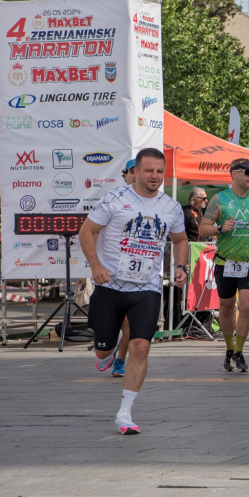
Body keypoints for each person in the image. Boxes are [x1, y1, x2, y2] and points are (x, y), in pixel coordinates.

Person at [80, 148, 189, 434]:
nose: (154, 176)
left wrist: (181, 266)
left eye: (159, 171)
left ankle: (125, 413)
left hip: (147, 288)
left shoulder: (171, 207)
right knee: (103, 353)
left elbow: (180, 240)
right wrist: (95, 266)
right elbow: (86, 232)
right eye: (148, 170)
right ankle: (106, 349)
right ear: (136, 172)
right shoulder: (115, 199)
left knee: (141, 346)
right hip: (110, 285)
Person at [199, 159, 249, 374]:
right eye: (247, 172)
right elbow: (203, 228)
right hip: (225, 262)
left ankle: (239, 350)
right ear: (234, 174)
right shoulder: (220, 199)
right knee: (226, 306)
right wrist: (219, 228)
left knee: (246, 305)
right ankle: (229, 349)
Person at [108, 159, 138, 379]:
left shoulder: (154, 201)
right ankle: (107, 349)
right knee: (112, 322)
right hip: (112, 269)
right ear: (125, 175)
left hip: (138, 271)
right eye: (132, 172)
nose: (136, 176)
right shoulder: (113, 199)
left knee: (129, 322)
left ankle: (119, 360)